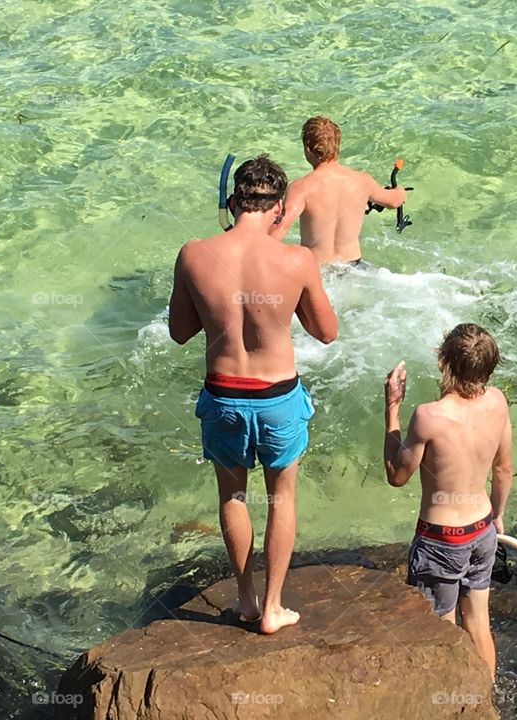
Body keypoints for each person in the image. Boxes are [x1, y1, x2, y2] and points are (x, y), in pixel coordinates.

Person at [169, 154, 337, 634]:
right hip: (278, 397)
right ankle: (273, 608)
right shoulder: (296, 260)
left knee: (233, 496)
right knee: (281, 499)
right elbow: (326, 332)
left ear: (231, 202)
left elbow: (180, 332)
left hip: (223, 395)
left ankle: (245, 600)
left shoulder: (194, 254)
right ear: (279, 208)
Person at [382, 323, 514, 679]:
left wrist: (392, 408)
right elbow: (503, 469)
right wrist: (498, 517)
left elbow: (396, 474)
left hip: (442, 539)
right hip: (483, 530)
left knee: (439, 630)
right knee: (479, 623)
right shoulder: (498, 402)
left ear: (444, 362)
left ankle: (451, 700)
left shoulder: (429, 416)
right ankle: (484, 696)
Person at [270, 116, 407, 265]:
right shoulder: (362, 181)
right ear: (336, 147)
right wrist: (400, 191)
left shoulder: (301, 187)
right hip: (354, 267)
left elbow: (280, 228)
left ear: (307, 149)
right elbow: (394, 201)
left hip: (317, 270)